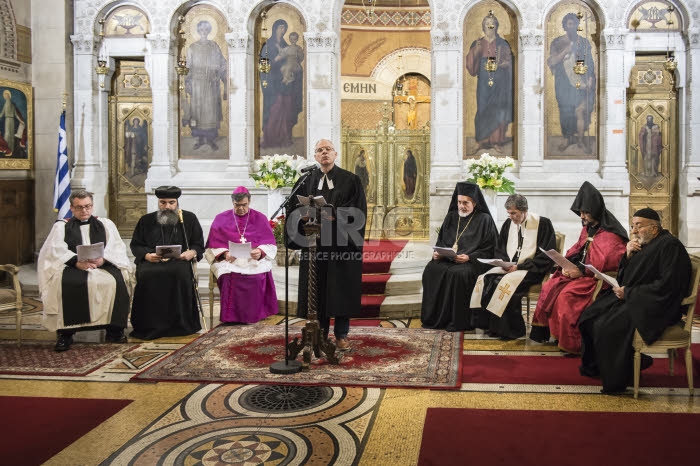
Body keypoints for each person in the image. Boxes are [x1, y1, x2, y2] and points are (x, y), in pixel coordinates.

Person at [579, 208, 691, 393]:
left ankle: (618, 378)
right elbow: (630, 273)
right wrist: (628, 256)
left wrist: (630, 293)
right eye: (633, 226)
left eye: (638, 226)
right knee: (590, 316)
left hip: (655, 305)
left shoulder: (670, 246)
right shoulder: (646, 243)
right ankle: (603, 367)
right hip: (636, 297)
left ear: (654, 228)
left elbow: (668, 285)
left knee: (607, 326)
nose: (633, 231)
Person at [286, 139, 367, 350]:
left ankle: (341, 335)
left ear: (335, 154)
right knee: (316, 288)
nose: (324, 153)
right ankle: (319, 333)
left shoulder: (351, 180)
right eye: (320, 150)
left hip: (341, 246)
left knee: (340, 290)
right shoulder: (305, 180)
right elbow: (293, 208)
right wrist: (301, 216)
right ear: (315, 157)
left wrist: (331, 216)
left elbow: (357, 212)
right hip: (314, 245)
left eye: (328, 149)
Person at [530, 181, 627, 353]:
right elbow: (578, 251)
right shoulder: (588, 228)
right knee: (550, 286)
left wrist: (580, 271)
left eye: (585, 213)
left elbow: (606, 264)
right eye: (580, 212)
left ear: (596, 211)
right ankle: (553, 334)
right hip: (581, 273)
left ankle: (572, 343)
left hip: (596, 280)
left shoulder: (610, 235)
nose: (582, 216)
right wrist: (567, 266)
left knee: (567, 296)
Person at [37, 189, 133, 352]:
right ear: (72, 208)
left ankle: (114, 330)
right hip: (74, 266)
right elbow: (55, 250)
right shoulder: (62, 226)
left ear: (92, 206)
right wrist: (76, 262)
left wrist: (103, 259)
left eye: (88, 206)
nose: (84, 210)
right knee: (66, 284)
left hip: (102, 264)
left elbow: (116, 247)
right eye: (80, 207)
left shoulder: (105, 224)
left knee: (116, 281)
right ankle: (66, 334)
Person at [469, 194, 556, 340]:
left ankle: (511, 330)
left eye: (514, 213)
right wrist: (504, 263)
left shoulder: (543, 224)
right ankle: (490, 326)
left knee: (503, 283)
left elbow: (547, 255)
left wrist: (520, 266)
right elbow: (500, 248)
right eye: (509, 213)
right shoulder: (508, 224)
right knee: (485, 279)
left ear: (524, 210)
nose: (511, 217)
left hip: (532, 269)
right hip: (511, 267)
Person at [421, 181, 499, 331]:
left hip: (471, 263)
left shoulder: (484, 219)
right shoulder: (451, 216)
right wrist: (438, 253)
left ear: (475, 203)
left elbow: (490, 248)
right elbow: (441, 240)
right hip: (448, 259)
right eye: (459, 202)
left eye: (466, 203)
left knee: (458, 274)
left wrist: (470, 257)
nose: (461, 206)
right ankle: (435, 318)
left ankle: (458, 320)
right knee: (431, 269)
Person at [130, 185, 205, 339]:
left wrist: (191, 252)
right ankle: (150, 325)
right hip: (152, 261)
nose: (167, 206)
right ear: (158, 203)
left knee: (179, 273)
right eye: (163, 203)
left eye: (171, 202)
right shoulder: (146, 220)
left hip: (179, 261)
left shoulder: (189, 219)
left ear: (177, 202)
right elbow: (136, 245)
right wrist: (146, 255)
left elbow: (198, 244)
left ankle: (180, 325)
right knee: (147, 275)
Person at [205, 186, 279, 324]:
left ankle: (255, 314)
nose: (241, 208)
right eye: (237, 205)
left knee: (257, 277)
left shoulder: (260, 218)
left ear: (249, 202)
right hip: (230, 261)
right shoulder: (221, 218)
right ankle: (231, 317)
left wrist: (260, 252)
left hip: (252, 260)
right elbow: (212, 246)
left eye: (244, 205)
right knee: (228, 276)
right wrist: (225, 253)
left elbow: (270, 243)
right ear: (232, 203)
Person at [465, 12, 514, 154]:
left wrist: (504, 64)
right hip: (484, 83)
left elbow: (509, 61)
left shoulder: (503, 44)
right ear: (483, 27)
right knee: (482, 109)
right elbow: (470, 65)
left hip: (500, 83)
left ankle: (496, 142)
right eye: (487, 24)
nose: (490, 27)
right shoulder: (478, 43)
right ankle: (480, 141)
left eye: (492, 24)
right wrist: (477, 50)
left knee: (499, 110)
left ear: (497, 26)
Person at [547, 12, 596, 154]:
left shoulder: (584, 42)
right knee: (566, 111)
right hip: (564, 82)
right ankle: (567, 138)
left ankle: (580, 139)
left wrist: (590, 78)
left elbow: (590, 63)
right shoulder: (557, 42)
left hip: (581, 80)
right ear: (564, 26)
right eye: (569, 24)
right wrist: (566, 51)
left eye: (574, 23)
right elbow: (552, 61)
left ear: (577, 25)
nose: (572, 26)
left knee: (580, 111)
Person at [183, 20, 227, 151]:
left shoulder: (214, 46)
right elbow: (188, 67)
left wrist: (218, 72)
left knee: (211, 111)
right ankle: (200, 139)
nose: (203, 31)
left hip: (211, 83)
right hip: (197, 83)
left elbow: (223, 63)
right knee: (198, 111)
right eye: (201, 29)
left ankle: (210, 139)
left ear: (209, 30)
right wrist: (187, 82)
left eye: (206, 29)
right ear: (198, 30)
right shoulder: (192, 47)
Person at [260, 19, 304, 149]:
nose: (283, 30)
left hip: (286, 83)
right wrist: (274, 62)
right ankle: (270, 139)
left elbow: (295, 59)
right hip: (272, 82)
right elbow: (263, 66)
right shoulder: (267, 46)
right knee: (275, 108)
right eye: (280, 28)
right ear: (274, 29)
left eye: (284, 28)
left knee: (287, 109)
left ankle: (285, 137)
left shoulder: (286, 44)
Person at [0, 89, 27, 158]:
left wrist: (21, 121)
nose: (6, 96)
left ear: (9, 96)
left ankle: (10, 150)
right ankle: (8, 149)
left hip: (10, 120)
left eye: (7, 95)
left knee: (10, 134)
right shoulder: (6, 104)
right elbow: (2, 113)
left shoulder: (12, 105)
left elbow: (16, 114)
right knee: (7, 134)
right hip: (7, 120)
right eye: (5, 95)